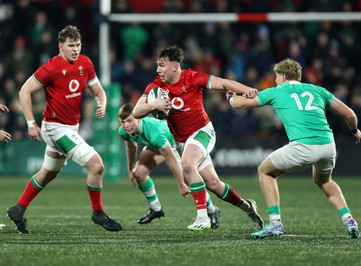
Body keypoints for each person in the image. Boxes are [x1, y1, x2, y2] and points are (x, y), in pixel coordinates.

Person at [228, 58, 361, 239]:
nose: (275, 80)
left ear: (283, 76)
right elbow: (350, 114)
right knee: (324, 181)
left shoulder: (277, 91)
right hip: (328, 146)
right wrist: (354, 130)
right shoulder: (318, 90)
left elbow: (239, 104)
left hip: (304, 146)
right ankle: (349, 220)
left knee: (265, 171)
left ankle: (275, 224)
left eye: (276, 77)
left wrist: (230, 96)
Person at [133, 45, 263, 231]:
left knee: (187, 164)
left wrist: (247, 89)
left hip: (202, 131)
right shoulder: (156, 86)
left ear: (175, 66)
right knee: (214, 185)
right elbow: (136, 111)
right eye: (157, 65)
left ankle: (203, 217)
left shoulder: (193, 78)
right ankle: (247, 206)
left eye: (161, 65)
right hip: (181, 141)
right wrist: (154, 104)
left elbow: (224, 83)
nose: (157, 70)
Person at [6, 25, 122, 233]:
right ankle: (98, 212)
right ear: (60, 47)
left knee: (48, 173)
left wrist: (102, 103)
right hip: (55, 129)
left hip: (70, 127)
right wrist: (31, 123)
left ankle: (18, 209)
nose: (75, 49)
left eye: (78, 45)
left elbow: (98, 91)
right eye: (71, 46)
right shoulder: (51, 68)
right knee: (97, 166)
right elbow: (24, 91)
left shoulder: (85, 63)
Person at [118, 103, 220, 228]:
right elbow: (131, 145)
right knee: (138, 173)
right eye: (123, 122)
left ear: (139, 117)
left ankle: (211, 209)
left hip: (172, 144)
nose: (126, 125)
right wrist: (129, 169)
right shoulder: (123, 131)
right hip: (154, 145)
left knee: (189, 180)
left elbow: (171, 158)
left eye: (129, 120)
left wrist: (181, 184)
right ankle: (156, 208)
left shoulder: (155, 133)